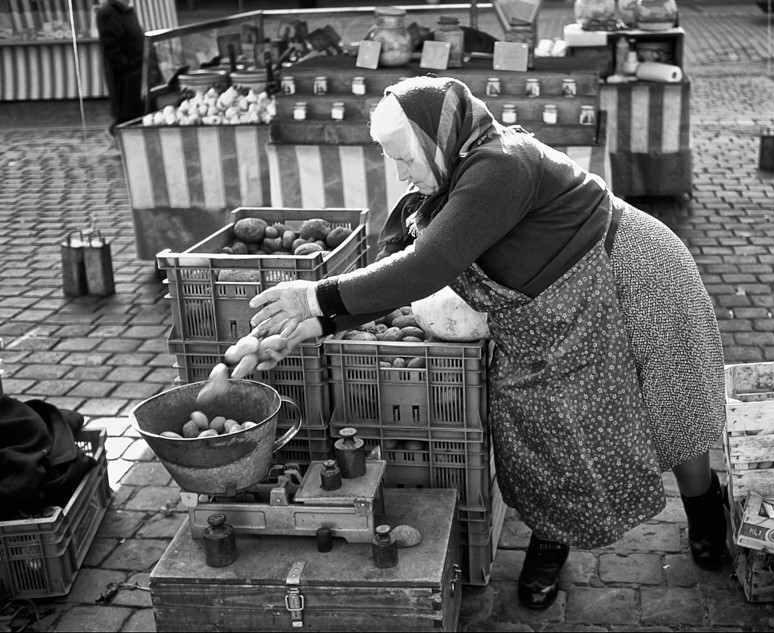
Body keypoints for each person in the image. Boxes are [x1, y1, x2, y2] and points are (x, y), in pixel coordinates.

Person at [238, 76, 727, 611]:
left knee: (669, 403)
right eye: (393, 160)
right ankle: (551, 535)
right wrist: (318, 326)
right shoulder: (445, 185)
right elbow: (401, 272)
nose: (400, 173)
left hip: (634, 270)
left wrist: (314, 296)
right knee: (544, 420)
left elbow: (428, 266)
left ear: (434, 139)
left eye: (405, 158)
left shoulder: (500, 165)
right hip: (551, 309)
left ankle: (704, 508)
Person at [95, 0, 147, 136]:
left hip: (138, 70)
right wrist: (127, 65)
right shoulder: (108, 12)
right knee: (128, 113)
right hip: (126, 75)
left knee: (139, 111)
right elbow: (111, 48)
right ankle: (118, 135)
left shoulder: (127, 10)